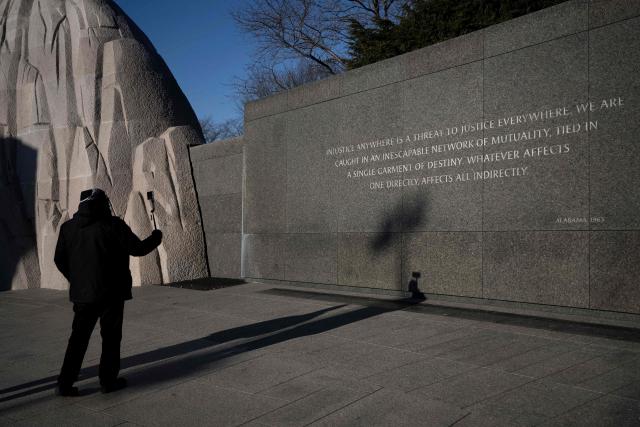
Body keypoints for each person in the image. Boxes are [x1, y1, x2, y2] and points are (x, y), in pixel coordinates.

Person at [54, 188, 162, 396]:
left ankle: (65, 383)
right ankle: (108, 381)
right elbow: (138, 249)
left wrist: (77, 280)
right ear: (102, 203)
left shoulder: (68, 228)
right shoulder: (113, 225)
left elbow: (59, 260)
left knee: (77, 339)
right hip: (111, 294)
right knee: (111, 338)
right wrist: (156, 238)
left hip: (83, 295)